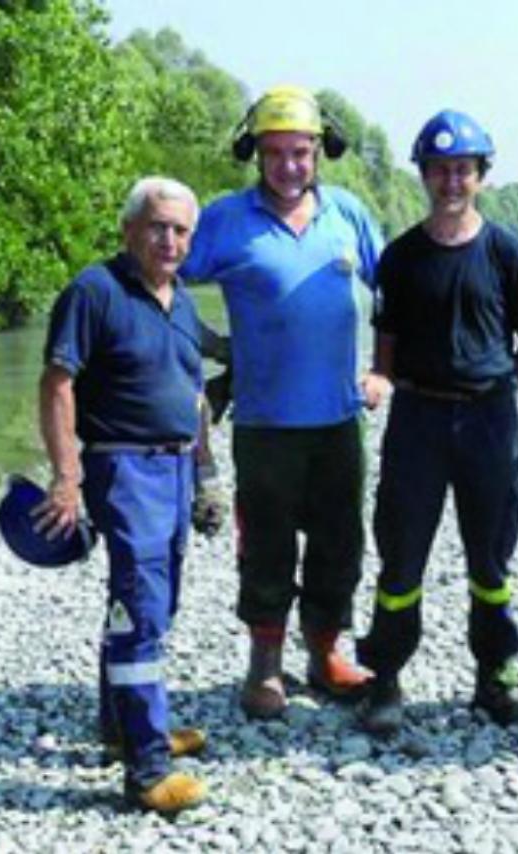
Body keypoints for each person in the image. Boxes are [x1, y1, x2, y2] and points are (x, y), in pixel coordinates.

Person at [180, 85, 385, 719]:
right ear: (255, 153)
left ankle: (325, 656)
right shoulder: (224, 219)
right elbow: (160, 279)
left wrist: (383, 370)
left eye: (300, 152)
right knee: (265, 543)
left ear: (321, 151)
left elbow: (396, 296)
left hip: (339, 421)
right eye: (275, 154)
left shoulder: (349, 214)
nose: (289, 166)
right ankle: (264, 667)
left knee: (339, 542)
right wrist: (210, 344)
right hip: (265, 422)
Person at [355, 109, 518, 734]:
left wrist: (495, 395)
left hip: (489, 422)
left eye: (462, 170)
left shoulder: (508, 254)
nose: (451, 182)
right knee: (401, 557)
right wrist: (382, 383)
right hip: (416, 421)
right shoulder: (401, 258)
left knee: (490, 561)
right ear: (424, 176)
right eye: (439, 171)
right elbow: (383, 352)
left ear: (481, 177)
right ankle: (385, 679)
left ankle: (495, 678)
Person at [35, 176, 212, 813]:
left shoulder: (183, 302)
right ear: (129, 230)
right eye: (157, 226)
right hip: (123, 468)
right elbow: (57, 385)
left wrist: (208, 478)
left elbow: (194, 399)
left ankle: (122, 726)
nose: (169, 240)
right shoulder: (94, 291)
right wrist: (67, 477)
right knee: (140, 607)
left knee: (152, 602)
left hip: (175, 470)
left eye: (181, 230)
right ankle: (146, 770)